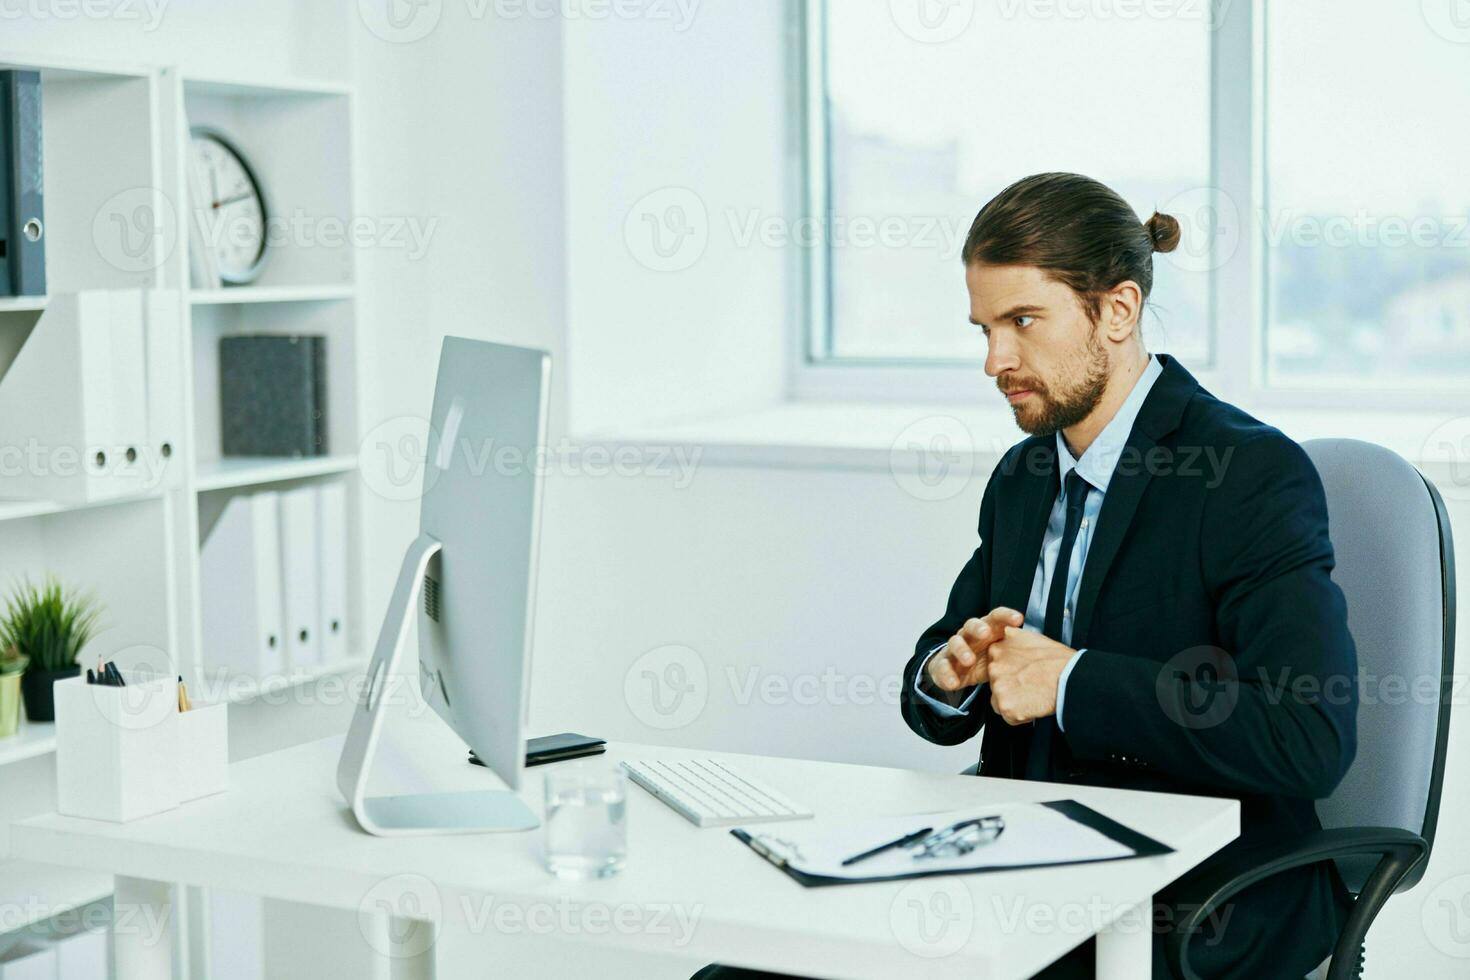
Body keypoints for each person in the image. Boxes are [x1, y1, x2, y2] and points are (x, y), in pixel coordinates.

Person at [697, 173, 1358, 980]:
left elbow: (1307, 740)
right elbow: (944, 668)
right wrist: (949, 675)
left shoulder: (1246, 474)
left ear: (1117, 310)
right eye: (983, 328)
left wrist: (1074, 682)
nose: (994, 361)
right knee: (738, 976)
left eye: (1021, 322)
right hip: (1021, 864)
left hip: (1197, 896)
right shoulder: (1023, 476)